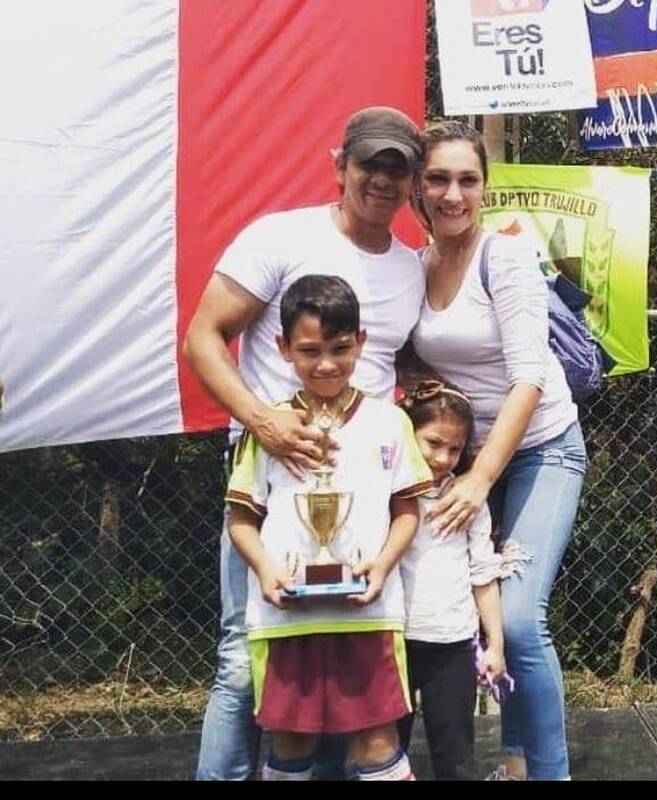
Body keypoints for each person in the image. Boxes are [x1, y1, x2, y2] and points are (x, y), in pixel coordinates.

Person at [183, 106, 425, 781]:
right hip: (278, 493)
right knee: (243, 665)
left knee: (361, 687)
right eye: (369, 163)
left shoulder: (411, 269)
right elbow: (202, 338)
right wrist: (263, 422)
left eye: (398, 168)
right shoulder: (279, 238)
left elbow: (398, 368)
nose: (382, 179)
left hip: (364, 506)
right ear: (339, 165)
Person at [408, 121, 587, 781]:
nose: (453, 194)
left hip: (541, 449)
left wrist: (480, 478)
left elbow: (530, 377)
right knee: (481, 617)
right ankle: (513, 767)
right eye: (438, 179)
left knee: (517, 620)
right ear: (419, 188)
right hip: (465, 461)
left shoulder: (504, 256)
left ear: (484, 187)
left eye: (467, 179)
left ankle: (549, 774)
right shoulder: (415, 267)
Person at [223, 275, 432, 781]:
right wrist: (267, 570)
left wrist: (382, 565)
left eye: (339, 349)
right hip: (287, 617)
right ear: (283, 348)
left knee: (377, 743)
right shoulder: (269, 428)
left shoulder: (389, 422)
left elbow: (408, 510)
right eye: (309, 351)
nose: (325, 364)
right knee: (292, 744)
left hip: (368, 613)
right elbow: (242, 521)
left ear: (360, 342)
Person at [396, 380, 510, 781]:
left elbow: (483, 576)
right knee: (385, 755)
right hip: (394, 642)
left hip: (453, 646)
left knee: (455, 757)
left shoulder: (467, 501)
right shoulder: (386, 495)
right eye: (432, 443)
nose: (443, 457)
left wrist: (495, 645)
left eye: (455, 449)